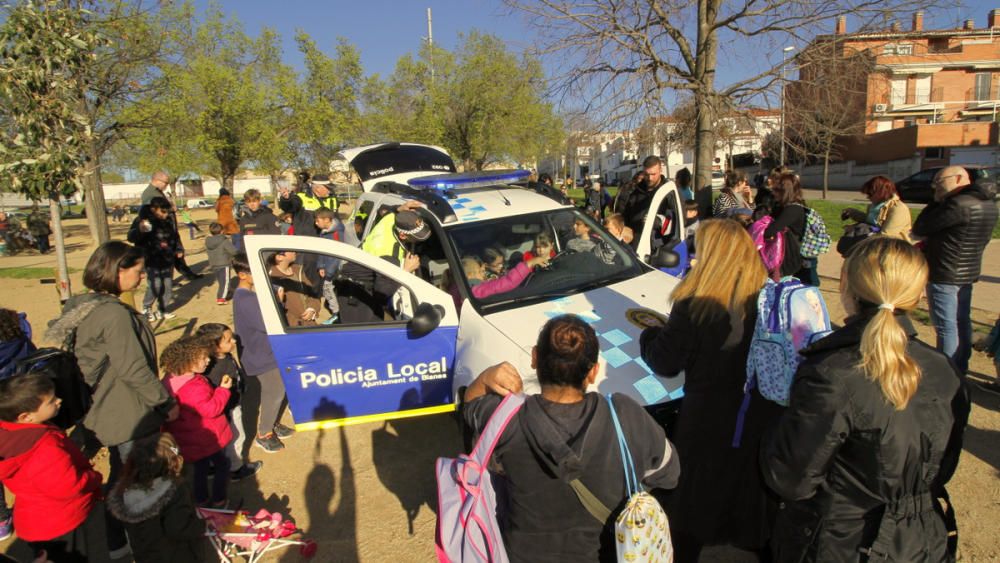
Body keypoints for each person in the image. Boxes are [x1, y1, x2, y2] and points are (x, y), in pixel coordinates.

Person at [761, 236, 969, 562]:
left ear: (848, 287)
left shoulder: (830, 372)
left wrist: (772, 429)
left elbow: (791, 479)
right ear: (917, 294)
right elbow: (945, 464)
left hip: (841, 542)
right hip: (922, 542)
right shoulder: (944, 369)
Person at [462, 314, 680, 562]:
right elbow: (669, 475)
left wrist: (486, 377)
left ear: (534, 358)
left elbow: (470, 406)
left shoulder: (505, 418)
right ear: (593, 371)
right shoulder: (625, 415)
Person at [639, 219, 780, 562]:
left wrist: (649, 334)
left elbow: (665, 361)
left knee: (692, 507)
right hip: (759, 416)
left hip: (707, 422)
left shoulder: (695, 304)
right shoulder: (767, 298)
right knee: (748, 493)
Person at [45, 240, 177, 559]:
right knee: (135, 483)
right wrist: (164, 402)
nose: (142, 277)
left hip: (99, 404)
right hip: (125, 409)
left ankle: (116, 542)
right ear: (118, 270)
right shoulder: (114, 315)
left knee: (120, 476)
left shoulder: (82, 304)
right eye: (138, 271)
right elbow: (132, 367)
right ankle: (139, 543)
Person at [0, 373, 103, 563]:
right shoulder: (44, 447)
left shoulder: (10, 433)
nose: (59, 400)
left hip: (37, 520)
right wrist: (93, 477)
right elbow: (69, 487)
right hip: (61, 522)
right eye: (51, 401)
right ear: (26, 416)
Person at [912, 165, 998, 374]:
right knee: (962, 322)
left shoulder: (957, 205)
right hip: (967, 272)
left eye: (940, 183)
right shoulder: (987, 203)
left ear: (960, 178)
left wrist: (935, 202)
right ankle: (960, 367)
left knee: (946, 327)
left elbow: (920, 228)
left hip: (945, 273)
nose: (936, 188)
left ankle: (946, 371)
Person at [106, 433, 209, 563]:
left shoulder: (126, 492)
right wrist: (202, 525)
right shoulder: (175, 491)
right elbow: (178, 528)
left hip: (146, 555)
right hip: (177, 555)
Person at [231, 253, 294, 454]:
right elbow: (269, 323)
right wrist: (278, 301)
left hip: (260, 351)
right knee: (274, 393)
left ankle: (272, 423)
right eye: (255, 271)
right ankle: (264, 433)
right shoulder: (246, 299)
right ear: (242, 274)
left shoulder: (245, 296)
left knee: (276, 390)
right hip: (261, 355)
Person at [160, 336, 233, 508]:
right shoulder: (193, 387)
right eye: (203, 358)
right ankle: (219, 499)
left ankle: (201, 500)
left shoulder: (171, 379)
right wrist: (223, 390)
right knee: (222, 465)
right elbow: (211, 409)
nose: (208, 360)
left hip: (187, 437)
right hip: (205, 437)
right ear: (187, 361)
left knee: (200, 469)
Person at [336, 206, 429, 323]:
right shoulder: (389, 255)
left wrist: (400, 208)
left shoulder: (390, 219)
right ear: (403, 235)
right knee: (361, 334)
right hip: (356, 294)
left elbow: (388, 211)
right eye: (416, 238)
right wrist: (406, 270)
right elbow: (383, 292)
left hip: (352, 279)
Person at [195, 323, 263, 480]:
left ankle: (212, 467)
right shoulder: (213, 369)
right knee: (237, 436)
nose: (233, 341)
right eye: (228, 340)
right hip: (229, 407)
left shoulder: (224, 357)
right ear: (214, 346)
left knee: (218, 440)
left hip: (226, 407)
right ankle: (236, 468)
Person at [128, 197, 183, 321]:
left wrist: (178, 249)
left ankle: (162, 309)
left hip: (167, 258)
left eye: (167, 212)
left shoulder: (168, 220)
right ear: (154, 209)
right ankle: (147, 308)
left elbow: (175, 235)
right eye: (163, 212)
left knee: (167, 286)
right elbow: (131, 237)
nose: (165, 215)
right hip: (151, 259)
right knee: (156, 284)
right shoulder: (142, 221)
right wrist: (139, 231)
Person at [764, 172, 815, 283]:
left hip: (791, 258)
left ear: (785, 192)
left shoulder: (792, 210)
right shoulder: (785, 207)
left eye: (776, 190)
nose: (773, 192)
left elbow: (770, 231)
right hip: (787, 256)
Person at [840, 175, 912, 240]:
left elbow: (886, 235)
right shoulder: (875, 206)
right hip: (876, 243)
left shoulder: (898, 209)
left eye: (870, 194)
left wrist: (856, 229)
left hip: (895, 249)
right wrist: (852, 212)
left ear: (881, 192)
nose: (868, 197)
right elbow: (869, 221)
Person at [459, 252, 549, 301]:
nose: (483, 274)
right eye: (479, 272)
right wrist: (529, 263)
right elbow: (506, 283)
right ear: (469, 276)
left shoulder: (459, 289)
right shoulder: (476, 291)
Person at [268, 251, 321, 327]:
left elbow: (312, 294)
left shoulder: (298, 270)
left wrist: (312, 309)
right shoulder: (272, 278)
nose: (294, 251)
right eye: (289, 250)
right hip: (295, 329)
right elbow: (278, 311)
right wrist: (300, 325)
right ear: (279, 257)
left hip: (310, 325)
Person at [620, 156, 668, 234]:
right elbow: (626, 214)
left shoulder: (668, 191)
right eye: (646, 174)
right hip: (636, 241)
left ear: (660, 170)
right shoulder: (636, 190)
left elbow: (678, 219)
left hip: (659, 242)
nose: (650, 178)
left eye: (653, 174)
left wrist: (659, 222)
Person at [205, 222, 237, 305]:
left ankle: (228, 291)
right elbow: (233, 251)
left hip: (214, 264)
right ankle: (221, 298)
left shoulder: (208, 241)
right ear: (222, 231)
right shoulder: (224, 240)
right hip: (224, 263)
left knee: (221, 281)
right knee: (225, 281)